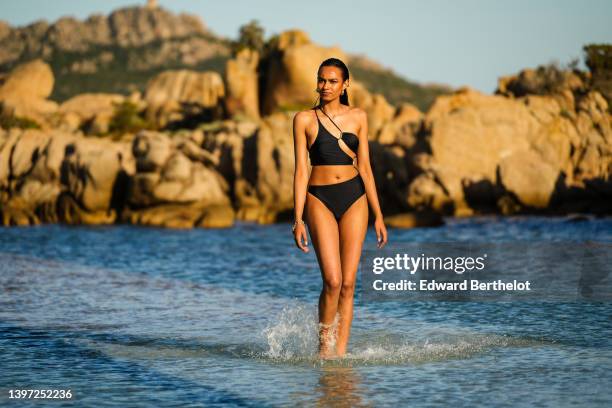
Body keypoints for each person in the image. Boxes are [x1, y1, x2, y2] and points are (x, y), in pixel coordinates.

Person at [291, 57, 388, 359]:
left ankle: (340, 355)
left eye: (332, 81)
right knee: (332, 281)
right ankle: (324, 350)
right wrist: (297, 218)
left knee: (348, 283)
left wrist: (379, 215)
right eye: (321, 80)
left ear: (345, 84)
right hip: (319, 198)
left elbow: (366, 167)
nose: (325, 86)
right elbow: (301, 171)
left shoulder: (359, 116)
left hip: (355, 197)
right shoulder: (304, 119)